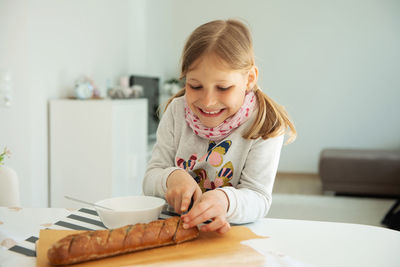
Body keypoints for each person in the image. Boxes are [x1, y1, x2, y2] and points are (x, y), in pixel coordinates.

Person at [143, 19, 296, 234]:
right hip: (174, 232)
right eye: (195, 86)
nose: (207, 102)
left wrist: (225, 200)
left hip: (226, 236)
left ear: (249, 79)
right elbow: (150, 178)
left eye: (223, 88)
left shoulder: (265, 124)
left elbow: (259, 198)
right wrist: (170, 177)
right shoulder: (177, 112)